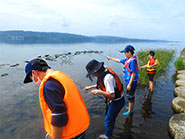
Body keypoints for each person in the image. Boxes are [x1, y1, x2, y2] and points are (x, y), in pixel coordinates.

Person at [23, 58, 90, 139]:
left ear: (34, 73)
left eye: (34, 79)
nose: (36, 83)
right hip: (80, 128)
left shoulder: (49, 85)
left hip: (71, 135)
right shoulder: (61, 76)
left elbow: (59, 116)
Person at [85, 59, 125, 139]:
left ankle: (108, 136)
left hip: (117, 102)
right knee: (110, 119)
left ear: (97, 71)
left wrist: (99, 92)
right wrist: (90, 87)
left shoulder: (108, 78)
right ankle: (110, 131)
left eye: (93, 73)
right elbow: (102, 84)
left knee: (107, 121)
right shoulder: (104, 71)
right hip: (116, 101)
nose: (93, 75)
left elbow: (112, 95)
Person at [106, 45, 139, 116]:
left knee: (130, 96)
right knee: (130, 95)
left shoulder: (133, 61)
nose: (124, 54)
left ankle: (130, 111)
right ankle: (131, 107)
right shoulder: (128, 59)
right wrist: (110, 58)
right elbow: (119, 61)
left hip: (132, 82)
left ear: (129, 52)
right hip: (128, 81)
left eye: (125, 52)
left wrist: (129, 84)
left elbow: (133, 73)